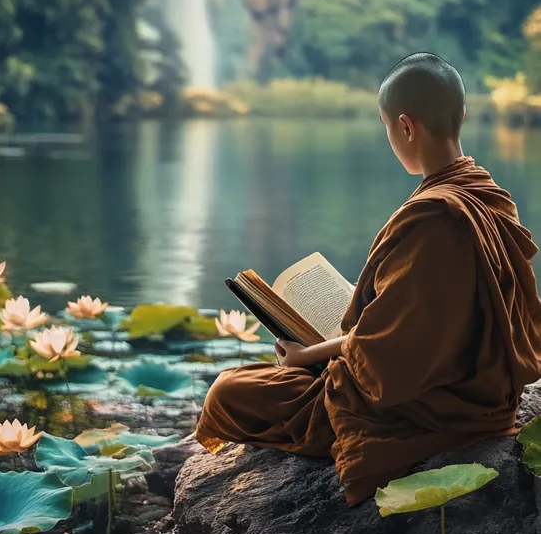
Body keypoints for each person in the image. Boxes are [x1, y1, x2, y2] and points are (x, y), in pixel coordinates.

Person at [194, 53, 541, 505]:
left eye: (385, 128)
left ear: (405, 126)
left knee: (228, 390)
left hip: (427, 410)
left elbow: (389, 360)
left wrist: (306, 356)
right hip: (481, 394)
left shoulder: (434, 218)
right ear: (461, 115)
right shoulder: (488, 195)